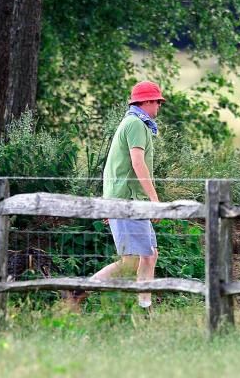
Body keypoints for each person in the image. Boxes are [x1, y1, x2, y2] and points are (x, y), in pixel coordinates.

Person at [70, 81, 164, 312]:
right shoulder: (135, 124)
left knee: (150, 255)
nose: (159, 107)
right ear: (147, 102)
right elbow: (137, 162)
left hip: (125, 200)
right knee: (131, 261)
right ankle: (79, 292)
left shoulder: (134, 123)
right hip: (128, 201)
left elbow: (117, 167)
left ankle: (145, 309)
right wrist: (155, 201)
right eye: (157, 102)